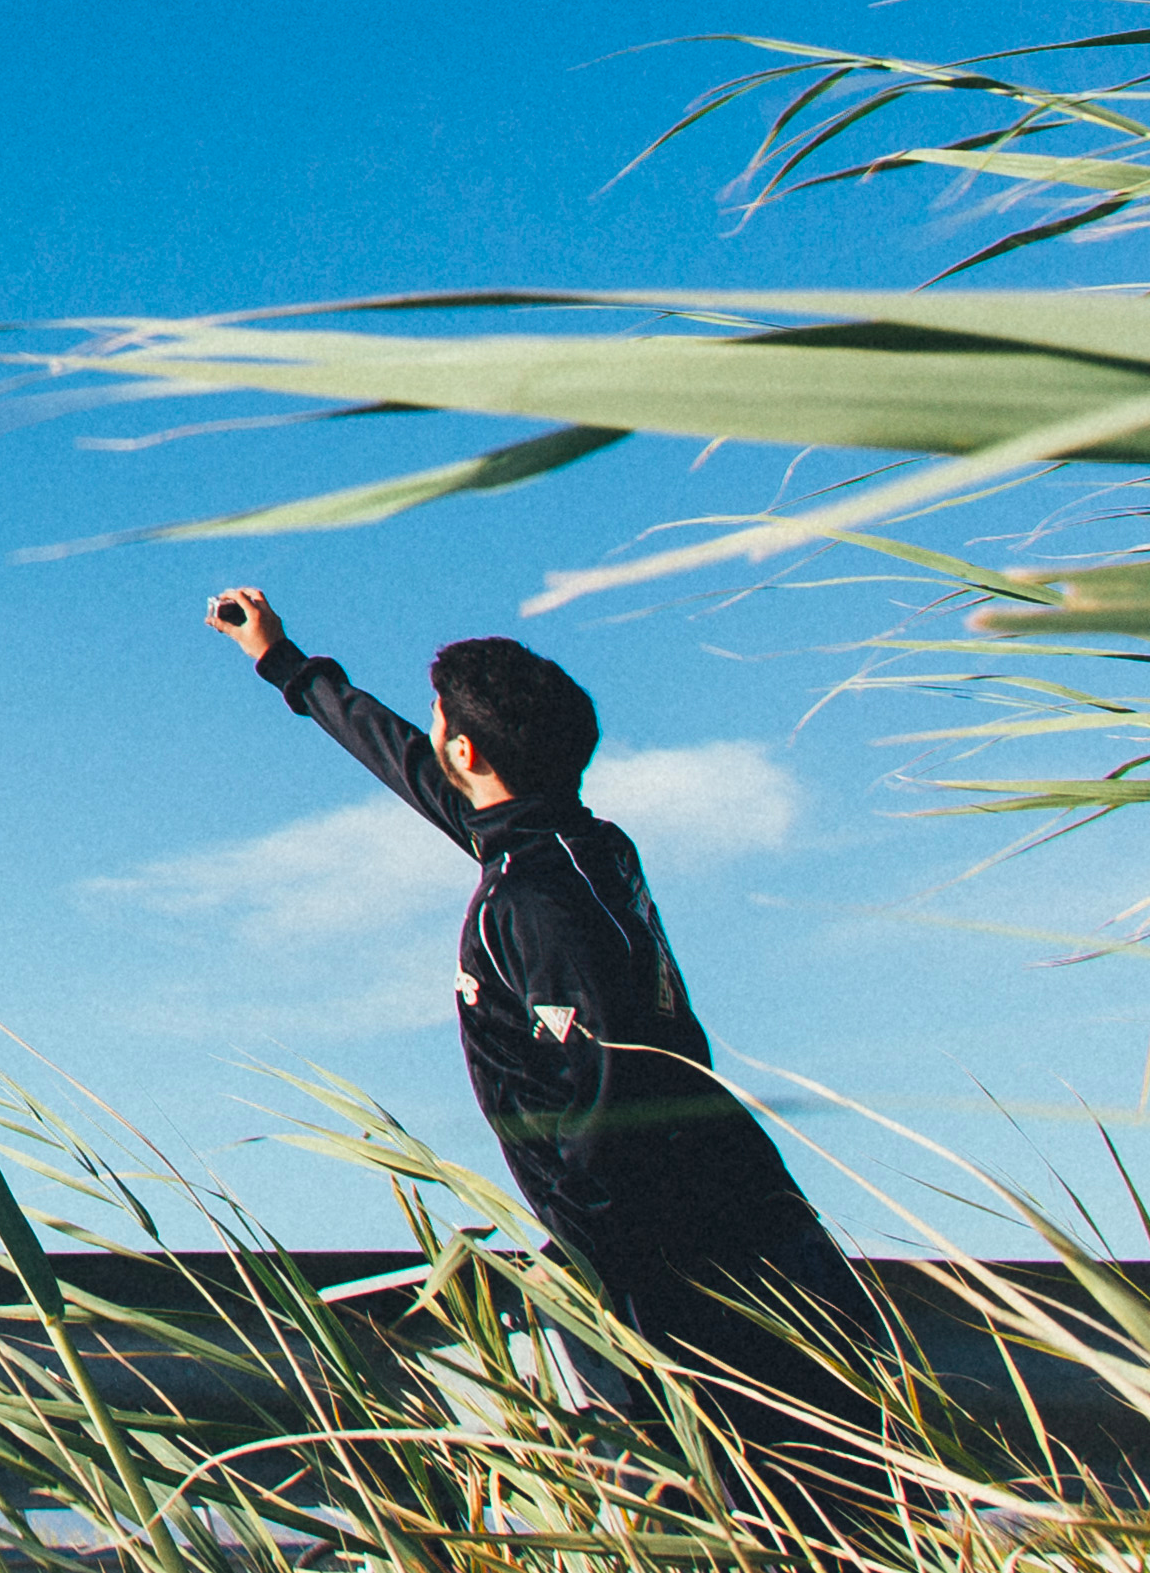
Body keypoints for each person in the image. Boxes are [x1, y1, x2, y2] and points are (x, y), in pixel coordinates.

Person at [207, 589, 879, 1475]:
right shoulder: (575, 846)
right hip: (741, 1227)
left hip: (675, 1277)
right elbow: (422, 770)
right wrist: (283, 662)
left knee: (770, 1512)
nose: (432, 741)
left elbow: (611, 1097)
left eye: (441, 726)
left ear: (467, 751)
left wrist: (606, 1281)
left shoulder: (534, 902)